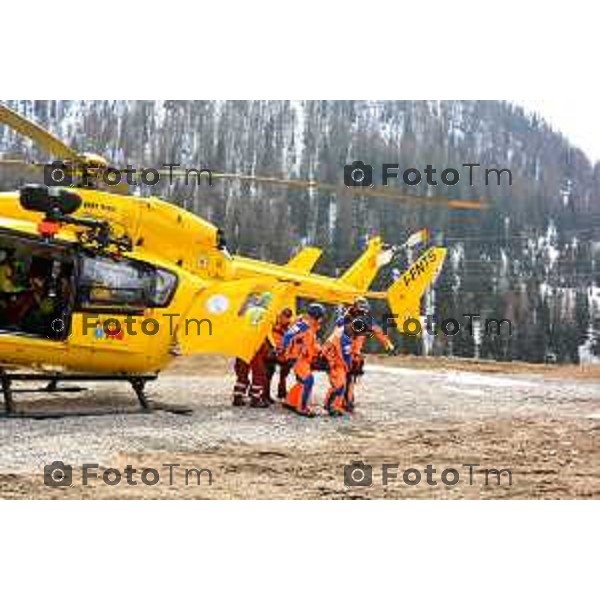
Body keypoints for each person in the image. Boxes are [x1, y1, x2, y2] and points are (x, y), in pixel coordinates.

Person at [342, 297, 395, 412]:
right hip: (347, 352)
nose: (362, 312)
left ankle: (346, 400)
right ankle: (346, 401)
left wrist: (387, 344)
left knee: (348, 378)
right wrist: (388, 344)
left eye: (363, 310)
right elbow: (377, 331)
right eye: (361, 310)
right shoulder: (348, 319)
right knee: (347, 378)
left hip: (350, 353)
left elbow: (377, 331)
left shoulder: (350, 318)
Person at [281, 303, 326, 417]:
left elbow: (311, 343)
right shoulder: (303, 326)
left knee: (302, 381)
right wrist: (285, 351)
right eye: (321, 317)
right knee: (308, 380)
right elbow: (287, 336)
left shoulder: (310, 327)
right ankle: (302, 408)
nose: (321, 320)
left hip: (303, 358)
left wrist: (320, 351)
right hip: (297, 358)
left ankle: (290, 402)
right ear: (318, 317)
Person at [321, 319, 353, 416]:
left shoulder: (334, 336)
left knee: (338, 386)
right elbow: (346, 356)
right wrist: (348, 365)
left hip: (333, 364)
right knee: (339, 386)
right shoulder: (343, 338)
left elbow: (325, 351)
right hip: (337, 365)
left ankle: (331, 405)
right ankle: (331, 406)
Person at [264, 307, 294, 402]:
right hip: (271, 351)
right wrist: (273, 349)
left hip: (282, 353)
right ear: (280, 316)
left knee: (285, 370)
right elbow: (268, 336)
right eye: (285, 316)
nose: (286, 319)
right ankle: (265, 394)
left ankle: (282, 391)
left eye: (288, 317)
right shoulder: (272, 323)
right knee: (269, 372)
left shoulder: (290, 326)